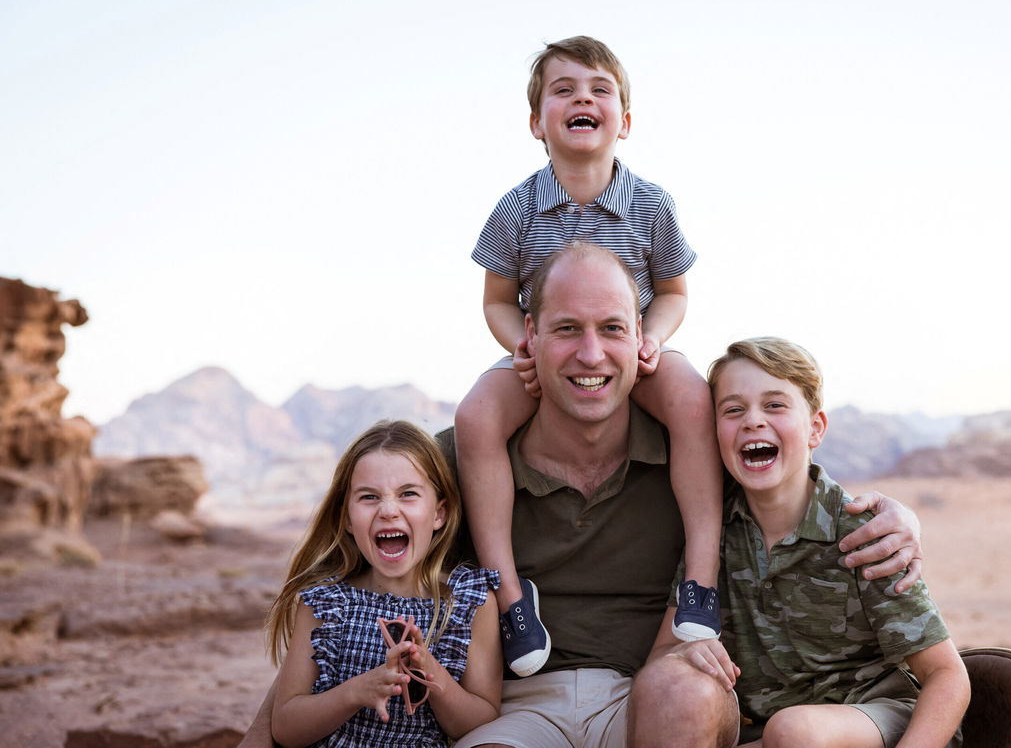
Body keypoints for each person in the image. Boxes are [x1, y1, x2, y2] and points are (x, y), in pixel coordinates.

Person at [238, 243, 926, 748]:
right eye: (567, 328)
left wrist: (900, 515)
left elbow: (788, 481)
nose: (590, 354)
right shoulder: (465, 465)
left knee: (683, 689)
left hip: (653, 698)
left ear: (642, 343)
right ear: (529, 338)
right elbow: (348, 587)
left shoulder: (695, 457)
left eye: (612, 330)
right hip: (515, 709)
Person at [454, 35, 725, 676]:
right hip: (547, 355)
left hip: (631, 352)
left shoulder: (651, 203)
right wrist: (517, 343)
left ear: (624, 122)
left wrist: (651, 337)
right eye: (565, 90)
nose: (584, 98)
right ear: (536, 121)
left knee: (691, 397)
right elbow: (495, 299)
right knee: (475, 418)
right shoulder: (518, 207)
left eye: (600, 89)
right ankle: (510, 597)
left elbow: (674, 291)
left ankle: (702, 579)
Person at [648, 338, 970, 748]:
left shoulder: (862, 533)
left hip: (881, 719)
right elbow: (661, 657)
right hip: (776, 735)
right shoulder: (714, 534)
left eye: (775, 405)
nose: (753, 421)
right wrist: (683, 655)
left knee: (794, 729)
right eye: (733, 409)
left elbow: (947, 675)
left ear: (815, 428)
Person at [263, 420, 502, 748]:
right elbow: (286, 729)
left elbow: (478, 722)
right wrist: (356, 692)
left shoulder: (468, 602)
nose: (389, 510)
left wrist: (430, 673)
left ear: (439, 514)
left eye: (408, 494)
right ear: (346, 518)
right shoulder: (326, 602)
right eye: (369, 497)